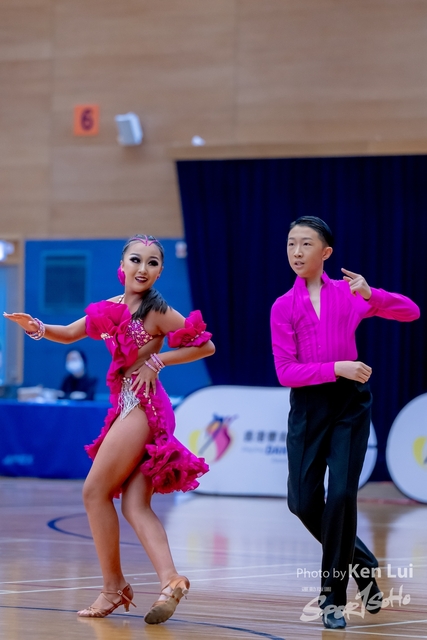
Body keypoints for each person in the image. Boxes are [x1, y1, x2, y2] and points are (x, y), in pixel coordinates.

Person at [4, 234, 215, 624]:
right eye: (136, 259)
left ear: (160, 272)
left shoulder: (158, 311)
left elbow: (204, 346)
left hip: (145, 406)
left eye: (152, 263)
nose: (143, 268)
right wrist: (37, 326)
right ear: (122, 265)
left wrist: (158, 361)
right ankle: (171, 580)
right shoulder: (108, 310)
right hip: (125, 405)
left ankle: (113, 586)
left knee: (94, 491)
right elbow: (70, 333)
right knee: (135, 505)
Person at [270, 217, 419, 630]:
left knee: (340, 497)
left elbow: (410, 311)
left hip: (350, 406)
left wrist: (372, 293)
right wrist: (337, 367)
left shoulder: (348, 294)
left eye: (305, 244)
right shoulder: (283, 306)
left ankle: (332, 599)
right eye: (291, 243)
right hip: (308, 408)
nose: (296, 251)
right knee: (302, 502)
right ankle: (363, 562)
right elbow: (286, 371)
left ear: (326, 253)